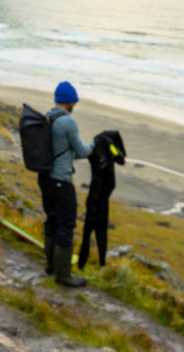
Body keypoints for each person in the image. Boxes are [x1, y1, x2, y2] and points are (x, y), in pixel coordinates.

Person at [38, 80, 95, 287]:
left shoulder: (48, 117)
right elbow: (80, 151)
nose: (75, 105)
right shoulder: (68, 122)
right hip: (61, 181)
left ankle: (50, 266)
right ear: (70, 101)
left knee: (51, 221)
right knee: (66, 225)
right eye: (74, 102)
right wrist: (96, 143)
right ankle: (63, 276)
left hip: (45, 179)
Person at [78, 130, 126, 269]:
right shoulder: (110, 147)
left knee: (87, 231)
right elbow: (121, 159)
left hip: (94, 195)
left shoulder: (95, 147)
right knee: (101, 230)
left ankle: (82, 262)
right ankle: (102, 263)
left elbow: (82, 152)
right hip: (103, 198)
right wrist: (114, 149)